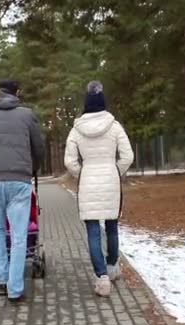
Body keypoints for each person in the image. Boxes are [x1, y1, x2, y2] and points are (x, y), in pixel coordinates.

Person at [63, 80, 134, 297]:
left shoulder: (76, 130)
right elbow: (128, 156)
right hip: (111, 180)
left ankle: (102, 278)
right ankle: (113, 267)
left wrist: (82, 173)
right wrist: (114, 170)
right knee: (112, 226)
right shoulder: (114, 127)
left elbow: (69, 161)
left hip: (88, 182)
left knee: (93, 231)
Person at [0, 79, 45, 302]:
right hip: (19, 181)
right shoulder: (27, 115)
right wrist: (32, 168)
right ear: (18, 92)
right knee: (18, 236)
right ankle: (15, 289)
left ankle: (1, 282)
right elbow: (38, 147)